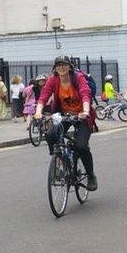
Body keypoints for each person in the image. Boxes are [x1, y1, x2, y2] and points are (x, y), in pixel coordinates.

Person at [35, 56, 99, 191]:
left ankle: (91, 175)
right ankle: (58, 161)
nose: (61, 68)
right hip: (64, 115)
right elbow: (44, 95)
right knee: (51, 134)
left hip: (82, 116)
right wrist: (38, 111)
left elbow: (85, 93)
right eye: (58, 65)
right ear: (55, 68)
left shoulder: (78, 78)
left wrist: (86, 110)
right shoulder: (53, 79)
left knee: (81, 146)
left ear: (70, 66)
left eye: (64, 65)